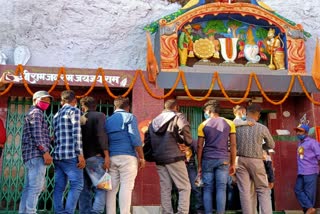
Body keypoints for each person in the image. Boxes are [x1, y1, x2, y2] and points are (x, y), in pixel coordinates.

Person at [144, 99, 192, 214]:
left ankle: (166, 212)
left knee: (165, 188)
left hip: (160, 159)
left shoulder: (154, 121)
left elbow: (147, 139)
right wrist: (186, 142)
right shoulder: (177, 116)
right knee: (184, 187)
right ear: (176, 107)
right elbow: (184, 128)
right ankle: (182, 212)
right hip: (174, 156)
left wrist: (152, 155)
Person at [105, 96, 145, 214]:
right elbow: (136, 139)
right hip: (128, 157)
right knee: (126, 187)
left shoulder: (108, 120)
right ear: (128, 107)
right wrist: (142, 157)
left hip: (112, 157)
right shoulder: (130, 117)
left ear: (115, 106)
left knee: (111, 189)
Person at [197, 100, 236, 214]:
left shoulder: (203, 125)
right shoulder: (229, 123)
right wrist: (233, 163)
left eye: (205, 112)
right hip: (223, 160)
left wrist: (199, 164)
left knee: (207, 189)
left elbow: (200, 146)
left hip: (207, 160)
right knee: (221, 189)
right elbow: (233, 145)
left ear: (209, 111)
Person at [235, 103, 275, 214]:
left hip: (240, 161)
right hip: (257, 161)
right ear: (258, 115)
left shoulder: (237, 126)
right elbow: (271, 145)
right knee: (263, 189)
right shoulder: (262, 128)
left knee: (245, 191)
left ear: (246, 112)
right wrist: (261, 147)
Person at [19, 91, 53, 214]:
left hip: (30, 156)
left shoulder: (31, 113)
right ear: (35, 100)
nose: (47, 103)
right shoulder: (37, 113)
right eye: (44, 100)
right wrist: (45, 152)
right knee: (36, 188)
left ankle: (24, 212)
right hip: (37, 155)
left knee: (28, 188)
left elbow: (36, 133)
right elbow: (37, 135)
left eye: (49, 101)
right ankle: (30, 212)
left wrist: (50, 138)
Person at [52, 90, 85, 214]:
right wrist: (80, 154)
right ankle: (68, 212)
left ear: (62, 101)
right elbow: (76, 133)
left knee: (59, 187)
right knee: (77, 185)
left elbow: (54, 136)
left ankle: (59, 212)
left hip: (58, 155)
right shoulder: (74, 111)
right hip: (71, 155)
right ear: (74, 101)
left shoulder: (56, 115)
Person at [78, 96, 110, 214]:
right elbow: (101, 135)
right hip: (96, 157)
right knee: (102, 187)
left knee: (84, 189)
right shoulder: (100, 116)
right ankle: (96, 212)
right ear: (95, 106)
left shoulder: (79, 118)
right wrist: (106, 155)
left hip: (82, 159)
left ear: (83, 106)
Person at [294, 124, 320, 214]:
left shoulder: (313, 142)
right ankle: (310, 208)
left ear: (306, 132)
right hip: (301, 171)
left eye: (300, 131)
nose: (298, 133)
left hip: (311, 171)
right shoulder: (301, 143)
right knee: (297, 190)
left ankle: (309, 210)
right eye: (297, 131)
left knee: (309, 193)